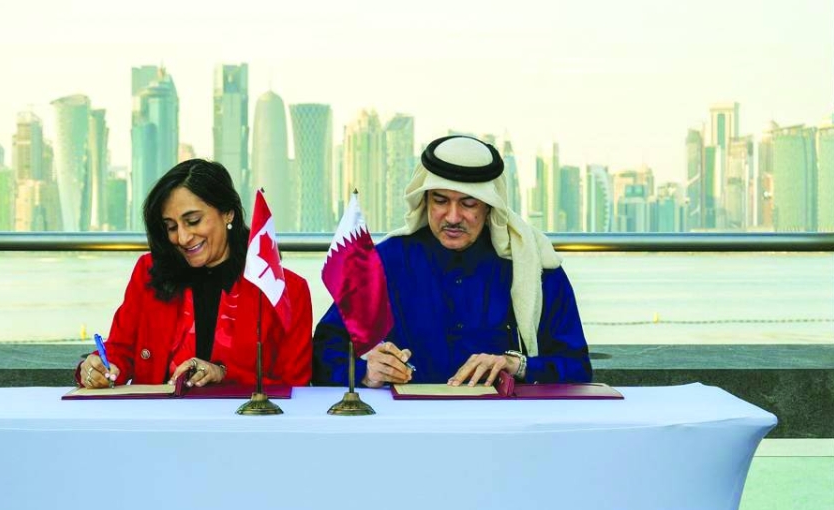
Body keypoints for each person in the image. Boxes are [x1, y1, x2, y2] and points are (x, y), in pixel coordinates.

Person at [312, 135, 591, 388]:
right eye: (441, 200)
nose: (453, 217)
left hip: (501, 429)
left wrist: (515, 365)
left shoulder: (531, 266)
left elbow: (578, 368)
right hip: (406, 428)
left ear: (489, 206)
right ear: (425, 202)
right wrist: (366, 371)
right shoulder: (384, 263)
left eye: (468, 204)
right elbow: (326, 354)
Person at [77, 159, 312, 389]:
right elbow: (121, 350)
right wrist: (97, 368)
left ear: (228, 213)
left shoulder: (287, 289)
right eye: (171, 226)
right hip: (158, 423)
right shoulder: (149, 272)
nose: (182, 238)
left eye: (193, 221)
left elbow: (295, 386)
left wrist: (223, 374)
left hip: (242, 425)